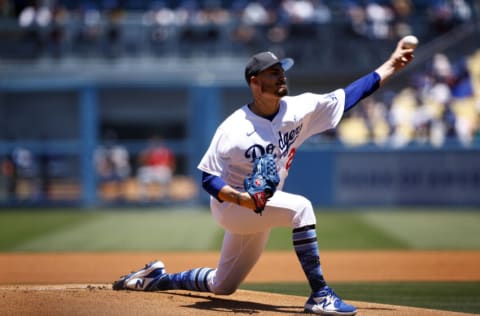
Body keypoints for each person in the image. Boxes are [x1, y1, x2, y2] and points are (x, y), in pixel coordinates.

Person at [112, 38, 415, 315]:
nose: (282, 75)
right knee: (302, 208)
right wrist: (240, 199)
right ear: (256, 83)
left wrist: (391, 64)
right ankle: (321, 294)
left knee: (223, 285)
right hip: (232, 208)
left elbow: (349, 96)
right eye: (273, 72)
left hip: (261, 204)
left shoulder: (300, 108)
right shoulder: (233, 129)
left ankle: (156, 279)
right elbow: (207, 177)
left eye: (282, 69)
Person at [136, 136, 176, 201]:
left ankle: (164, 198)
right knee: (142, 171)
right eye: (154, 142)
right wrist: (148, 152)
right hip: (151, 169)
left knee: (166, 171)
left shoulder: (165, 151)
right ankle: (143, 198)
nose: (156, 144)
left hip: (162, 169)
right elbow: (142, 162)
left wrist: (171, 170)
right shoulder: (148, 151)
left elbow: (171, 163)